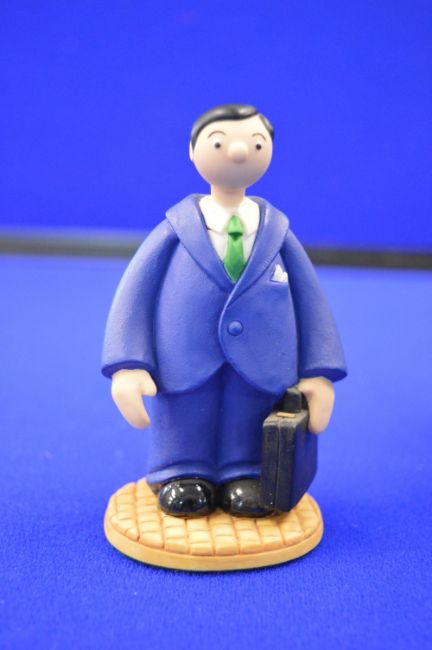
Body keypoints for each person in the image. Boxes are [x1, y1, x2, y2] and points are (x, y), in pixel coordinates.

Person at [102, 104, 347, 518]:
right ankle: (182, 471)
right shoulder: (174, 231)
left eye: (255, 143)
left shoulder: (277, 234)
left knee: (249, 419)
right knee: (185, 416)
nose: (238, 152)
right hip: (182, 360)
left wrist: (318, 373)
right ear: (192, 150)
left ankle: (245, 473)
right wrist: (127, 364)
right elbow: (134, 295)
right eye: (220, 142)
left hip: (264, 363)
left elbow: (311, 303)